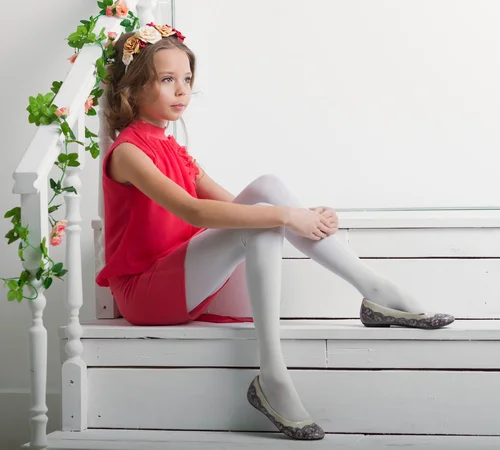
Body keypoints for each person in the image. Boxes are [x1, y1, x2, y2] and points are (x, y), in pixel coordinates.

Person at [95, 23, 455, 441]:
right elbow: (192, 210)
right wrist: (287, 217)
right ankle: (273, 374)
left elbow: (236, 206)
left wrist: (304, 216)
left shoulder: (172, 148)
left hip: (180, 274)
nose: (182, 91)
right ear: (134, 87)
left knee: (266, 190)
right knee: (268, 215)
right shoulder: (128, 153)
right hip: (146, 291)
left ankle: (374, 288)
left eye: (188, 79)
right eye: (167, 79)